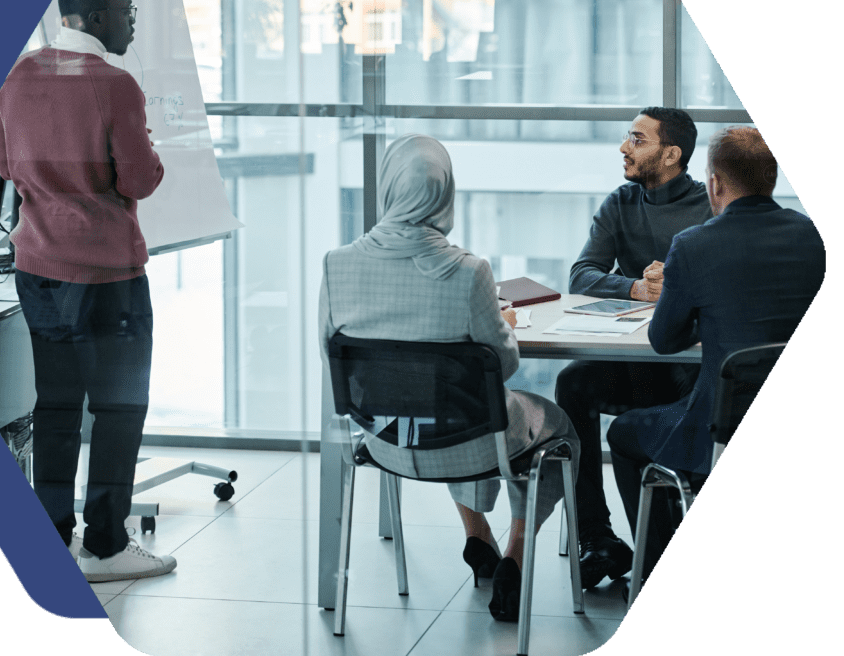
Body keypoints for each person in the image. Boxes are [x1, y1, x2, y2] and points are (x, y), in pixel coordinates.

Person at [318, 134, 580, 622]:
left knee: (438, 404)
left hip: (384, 441)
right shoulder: (469, 271)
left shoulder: (338, 265)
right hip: (471, 445)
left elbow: (331, 356)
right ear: (445, 194)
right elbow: (502, 367)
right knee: (554, 423)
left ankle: (476, 533)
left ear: (389, 187)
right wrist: (500, 327)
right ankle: (516, 550)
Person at [0, 0, 176, 582]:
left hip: (38, 269)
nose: (131, 21)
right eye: (127, 11)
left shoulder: (18, 75)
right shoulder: (115, 85)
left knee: (56, 407)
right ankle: (105, 545)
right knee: (120, 408)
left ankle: (51, 542)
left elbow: (4, 163)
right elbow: (139, 180)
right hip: (106, 277)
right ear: (97, 17)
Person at [608, 126, 825, 584]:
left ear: (715, 183)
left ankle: (657, 578)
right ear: (771, 179)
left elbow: (664, 341)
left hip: (719, 434)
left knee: (626, 432)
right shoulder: (815, 236)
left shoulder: (693, 244)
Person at [556, 107, 714, 588]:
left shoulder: (710, 207)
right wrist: (633, 289)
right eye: (628, 137)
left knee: (673, 393)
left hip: (683, 364)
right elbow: (581, 274)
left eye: (637, 140)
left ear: (671, 154)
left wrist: (677, 284)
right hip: (630, 359)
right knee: (571, 385)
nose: (624, 147)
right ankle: (596, 537)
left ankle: (664, 541)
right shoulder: (620, 202)